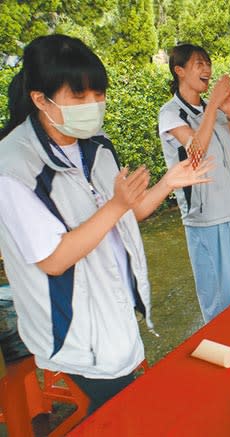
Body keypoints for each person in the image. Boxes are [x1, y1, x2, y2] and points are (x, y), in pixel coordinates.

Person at [0, 34, 212, 414]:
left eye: (98, 94)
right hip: (74, 330)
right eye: (79, 97)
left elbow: (128, 215)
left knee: (129, 408)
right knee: (126, 416)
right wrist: (116, 206)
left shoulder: (95, 145)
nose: (93, 105)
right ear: (39, 98)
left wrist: (169, 182)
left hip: (111, 313)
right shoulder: (14, 170)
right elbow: (53, 259)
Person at [158, 44, 230, 323]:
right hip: (206, 217)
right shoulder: (171, 113)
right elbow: (195, 151)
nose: (207, 70)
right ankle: (220, 348)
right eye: (199, 63)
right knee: (218, 298)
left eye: (208, 63)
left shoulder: (216, 111)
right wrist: (212, 105)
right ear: (179, 70)